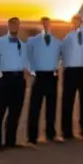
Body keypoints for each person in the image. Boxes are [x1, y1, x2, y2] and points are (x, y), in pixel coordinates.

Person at [0, 16, 27, 152]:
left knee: (15, 111)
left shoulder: (22, 44)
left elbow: (27, 62)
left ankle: (11, 141)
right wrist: (0, 75)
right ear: (8, 26)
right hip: (5, 79)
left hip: (19, 79)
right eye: (12, 25)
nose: (15, 27)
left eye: (17, 25)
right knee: (0, 112)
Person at [26, 16, 62, 144]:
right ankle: (32, 137)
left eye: (48, 23)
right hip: (39, 76)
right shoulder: (32, 41)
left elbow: (61, 57)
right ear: (41, 25)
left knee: (51, 107)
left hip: (52, 76)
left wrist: (56, 69)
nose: (46, 25)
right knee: (35, 107)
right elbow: (28, 58)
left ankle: (51, 133)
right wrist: (33, 71)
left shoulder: (57, 42)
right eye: (43, 24)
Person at [60, 14, 83, 139]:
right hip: (70, 71)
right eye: (74, 21)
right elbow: (62, 53)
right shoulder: (68, 37)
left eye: (78, 21)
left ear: (82, 22)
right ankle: (66, 130)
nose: (76, 23)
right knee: (68, 101)